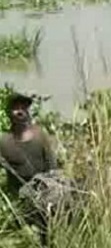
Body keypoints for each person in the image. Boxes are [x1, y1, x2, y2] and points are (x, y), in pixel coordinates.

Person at [0, 92, 62, 246]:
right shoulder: (4, 141)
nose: (20, 111)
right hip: (19, 201)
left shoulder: (40, 135)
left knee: (48, 238)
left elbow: (52, 166)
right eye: (15, 108)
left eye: (23, 107)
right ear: (9, 113)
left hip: (44, 197)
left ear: (28, 111)